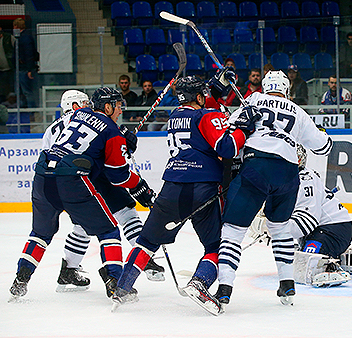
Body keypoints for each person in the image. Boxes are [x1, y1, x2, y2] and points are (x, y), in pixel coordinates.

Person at [112, 71, 247, 314]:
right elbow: (227, 147)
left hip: (171, 187)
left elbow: (202, 114)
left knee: (146, 241)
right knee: (215, 246)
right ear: (197, 96)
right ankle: (200, 282)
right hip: (203, 188)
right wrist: (243, 129)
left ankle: (122, 287)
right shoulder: (206, 115)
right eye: (203, 94)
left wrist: (217, 86)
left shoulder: (175, 116)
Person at [9, 87, 156, 301]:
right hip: (71, 179)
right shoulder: (111, 131)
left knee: (40, 234)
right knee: (109, 231)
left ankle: (20, 280)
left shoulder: (78, 115)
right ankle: (115, 283)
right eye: (117, 105)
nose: (120, 109)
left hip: (43, 176)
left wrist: (120, 140)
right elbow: (117, 175)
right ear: (107, 107)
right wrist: (138, 184)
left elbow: (88, 138)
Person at [215, 70, 332, 310]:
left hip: (257, 165)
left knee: (233, 231)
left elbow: (229, 129)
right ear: (287, 89)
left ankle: (224, 289)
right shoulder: (298, 111)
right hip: (288, 174)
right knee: (280, 229)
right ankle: (287, 285)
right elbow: (323, 147)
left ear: (266, 86)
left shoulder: (254, 99)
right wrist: (324, 135)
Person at [41, 90, 165, 292]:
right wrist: (121, 138)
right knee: (122, 214)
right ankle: (138, 259)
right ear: (73, 105)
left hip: (73, 179)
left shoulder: (73, 120)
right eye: (82, 102)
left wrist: (120, 137)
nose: (86, 105)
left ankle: (69, 269)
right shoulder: (89, 118)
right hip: (88, 177)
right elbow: (111, 155)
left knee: (88, 223)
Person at [247, 145, 352, 288]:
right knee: (294, 256)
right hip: (321, 230)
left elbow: (306, 222)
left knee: (304, 264)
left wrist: (269, 227)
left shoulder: (305, 180)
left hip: (334, 230)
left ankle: (330, 267)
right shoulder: (286, 180)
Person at [13, 18, 38, 108]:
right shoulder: (21, 37)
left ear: (16, 26)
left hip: (24, 69)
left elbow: (29, 54)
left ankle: (31, 111)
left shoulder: (25, 38)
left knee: (26, 91)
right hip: (21, 68)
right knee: (20, 91)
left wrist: (30, 69)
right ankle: (24, 109)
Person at [0, 27, 15, 102]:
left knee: (10, 86)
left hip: (9, 68)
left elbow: (17, 48)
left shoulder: (8, 38)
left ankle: (12, 102)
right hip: (1, 70)